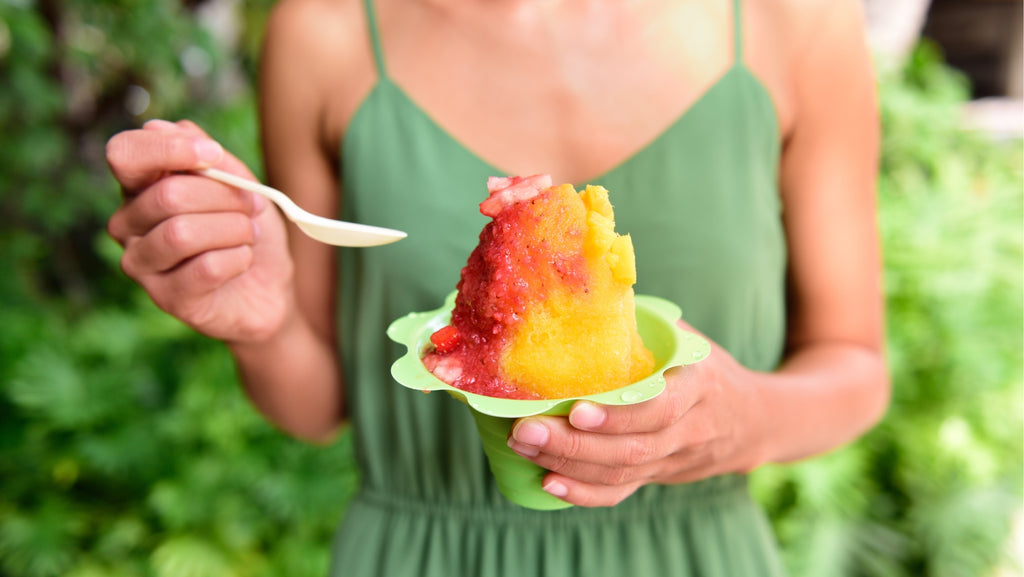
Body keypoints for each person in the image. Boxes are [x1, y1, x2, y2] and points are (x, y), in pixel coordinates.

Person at [105, 0, 889, 574]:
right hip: (419, 556)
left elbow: (855, 364)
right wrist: (264, 324)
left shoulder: (797, 22)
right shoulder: (327, 30)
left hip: (693, 554)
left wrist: (741, 419)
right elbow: (319, 406)